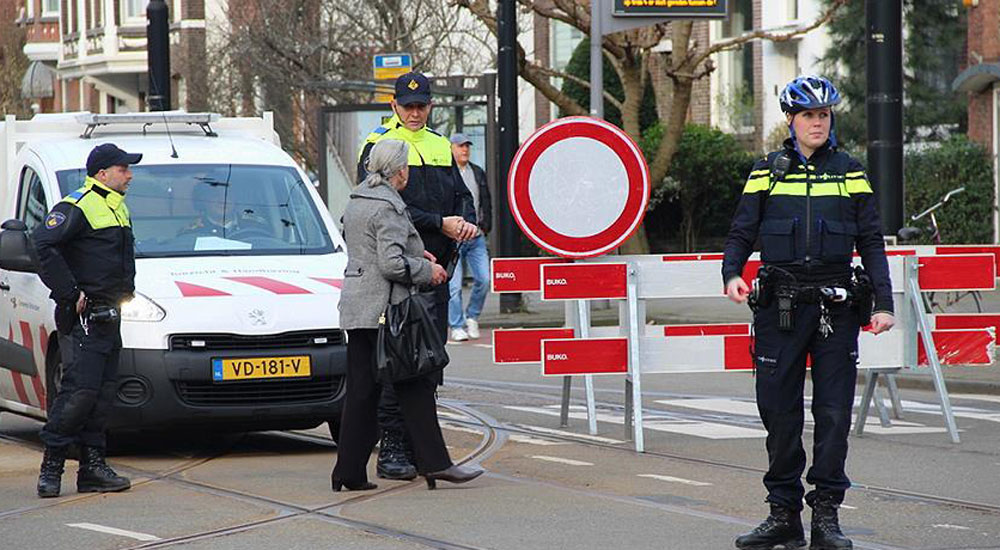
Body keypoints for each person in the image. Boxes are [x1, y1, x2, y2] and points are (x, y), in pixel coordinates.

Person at [722, 75, 895, 550]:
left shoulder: (850, 170)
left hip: (835, 307)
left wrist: (884, 304)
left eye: (823, 115)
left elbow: (872, 241)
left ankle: (826, 517)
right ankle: (783, 514)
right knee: (778, 412)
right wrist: (731, 273)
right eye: (808, 116)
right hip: (779, 307)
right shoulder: (766, 171)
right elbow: (741, 230)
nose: (817, 123)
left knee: (834, 414)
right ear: (792, 120)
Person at [333, 139, 483, 491]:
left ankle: (348, 472)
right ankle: (437, 465)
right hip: (388, 312)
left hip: (359, 308)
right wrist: (425, 270)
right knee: (416, 381)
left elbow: (367, 249)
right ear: (400, 172)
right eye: (407, 169)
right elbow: (391, 264)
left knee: (361, 393)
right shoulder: (388, 206)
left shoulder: (358, 200)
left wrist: (419, 255)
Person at [357, 72, 477, 481]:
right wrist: (441, 223)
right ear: (394, 106)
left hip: (438, 273)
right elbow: (385, 205)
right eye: (407, 106)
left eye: (421, 105)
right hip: (402, 274)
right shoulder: (379, 146)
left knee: (428, 363)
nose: (414, 112)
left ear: (430, 106)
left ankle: (417, 448)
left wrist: (467, 223)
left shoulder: (441, 145)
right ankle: (393, 448)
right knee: (400, 361)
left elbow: (462, 196)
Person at [33, 143, 141, 498]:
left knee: (102, 395)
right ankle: (52, 468)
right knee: (79, 394)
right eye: (123, 169)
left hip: (110, 316)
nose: (129, 175)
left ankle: (93, 467)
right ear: (102, 173)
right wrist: (69, 292)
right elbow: (41, 244)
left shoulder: (117, 208)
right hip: (84, 318)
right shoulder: (76, 205)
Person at [447, 133, 492, 342]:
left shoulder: (477, 172)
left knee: (484, 279)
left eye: (467, 146)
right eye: (460, 146)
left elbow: (485, 201)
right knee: (454, 286)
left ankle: (472, 316)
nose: (464, 150)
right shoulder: (446, 173)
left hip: (476, 236)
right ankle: (456, 325)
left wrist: (485, 226)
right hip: (454, 238)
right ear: (451, 149)